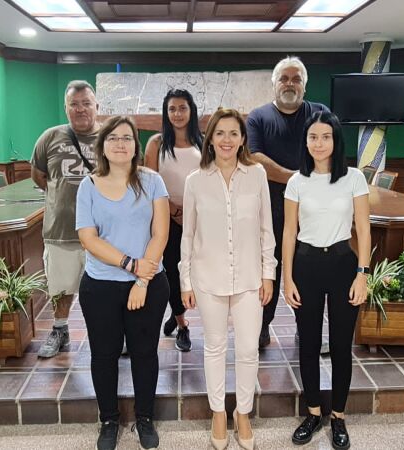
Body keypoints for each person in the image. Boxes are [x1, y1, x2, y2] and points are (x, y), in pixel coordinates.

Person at [180, 108, 275, 450]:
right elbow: (187, 235)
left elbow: (266, 229)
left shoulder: (257, 175)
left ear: (243, 139)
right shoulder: (195, 181)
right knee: (215, 347)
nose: (226, 139)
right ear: (210, 139)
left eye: (234, 133)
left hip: (249, 278)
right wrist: (185, 281)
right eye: (220, 133)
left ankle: (243, 412)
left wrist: (268, 274)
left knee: (248, 348)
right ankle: (218, 412)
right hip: (207, 277)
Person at [76, 116, 170, 450]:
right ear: (102, 146)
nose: (120, 143)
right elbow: (88, 238)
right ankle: (109, 420)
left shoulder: (152, 181)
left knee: (145, 353)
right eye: (113, 138)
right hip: (100, 286)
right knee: (104, 355)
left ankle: (145, 418)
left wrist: (142, 281)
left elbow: (160, 233)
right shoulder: (88, 185)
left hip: (148, 284)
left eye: (127, 138)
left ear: (135, 145)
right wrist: (130, 264)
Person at [282, 111, 371, 450]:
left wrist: (362, 274)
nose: (318, 143)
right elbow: (288, 233)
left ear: (336, 140)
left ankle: (338, 416)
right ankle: (313, 413)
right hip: (305, 266)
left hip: (342, 264)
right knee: (308, 344)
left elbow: (363, 229)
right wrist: (287, 278)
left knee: (340, 346)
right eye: (313, 137)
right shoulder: (296, 181)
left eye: (325, 137)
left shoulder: (353, 178)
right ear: (305, 142)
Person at [247, 56, 330, 348]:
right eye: (284, 78)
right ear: (274, 84)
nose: (290, 84)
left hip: (312, 210)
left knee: (307, 270)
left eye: (296, 79)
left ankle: (306, 328)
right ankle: (261, 326)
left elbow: (330, 150)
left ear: (305, 85)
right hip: (269, 208)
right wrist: (296, 178)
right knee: (268, 268)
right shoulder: (257, 117)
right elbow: (254, 157)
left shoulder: (320, 113)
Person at [30, 80, 101, 359]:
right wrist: (62, 198)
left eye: (86, 103)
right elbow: (39, 176)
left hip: (103, 233)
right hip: (61, 229)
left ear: (96, 106)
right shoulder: (50, 137)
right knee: (60, 286)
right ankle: (60, 330)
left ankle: (111, 334)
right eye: (74, 104)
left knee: (106, 289)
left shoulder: (111, 137)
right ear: (66, 108)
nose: (80, 109)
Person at [144, 89, 203, 352]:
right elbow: (149, 183)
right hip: (165, 219)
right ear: (166, 113)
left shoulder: (203, 142)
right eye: (172, 109)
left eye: (182, 108)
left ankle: (175, 311)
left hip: (198, 219)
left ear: (191, 111)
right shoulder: (157, 143)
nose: (177, 114)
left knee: (195, 272)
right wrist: (172, 210)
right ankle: (182, 325)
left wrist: (192, 213)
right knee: (171, 272)